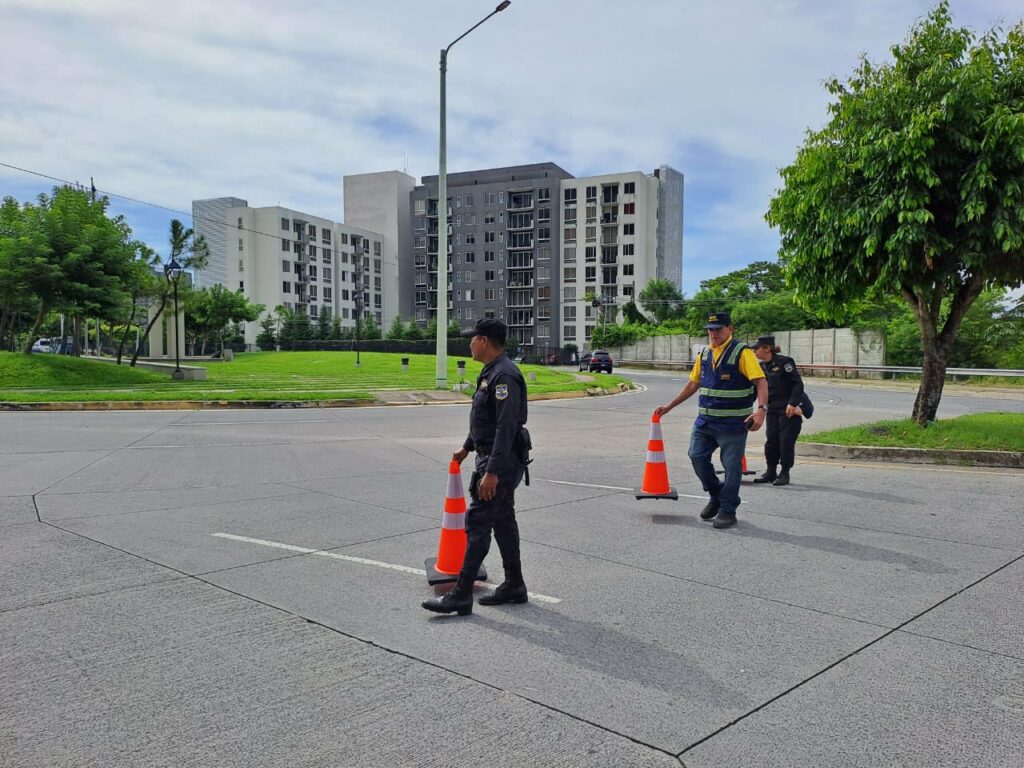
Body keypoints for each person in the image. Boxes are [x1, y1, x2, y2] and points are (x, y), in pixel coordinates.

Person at [422, 318, 529, 615]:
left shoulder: (504, 376)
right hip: (492, 456)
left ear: (484, 341)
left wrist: (491, 472)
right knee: (503, 522)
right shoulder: (492, 372)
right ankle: (515, 584)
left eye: (473, 338)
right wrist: (467, 447)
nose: (469, 343)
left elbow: (505, 427)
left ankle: (461, 593)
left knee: (479, 522)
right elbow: (487, 419)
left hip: (501, 461)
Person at [655, 311, 768, 529]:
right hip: (705, 422)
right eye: (710, 329)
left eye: (718, 329)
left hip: (733, 424)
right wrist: (670, 406)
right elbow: (692, 385)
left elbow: (761, 383)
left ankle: (727, 510)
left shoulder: (741, 353)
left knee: (732, 466)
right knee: (696, 456)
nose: (713, 333)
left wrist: (761, 411)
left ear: (730, 329)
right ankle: (717, 494)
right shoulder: (705, 354)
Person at [751, 336, 805, 486]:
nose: (755, 351)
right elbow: (757, 390)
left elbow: (797, 384)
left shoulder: (784, 362)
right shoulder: (762, 367)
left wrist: (793, 403)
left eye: (757, 348)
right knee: (771, 441)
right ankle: (770, 471)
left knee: (785, 442)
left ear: (767, 348)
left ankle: (785, 472)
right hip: (772, 409)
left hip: (788, 410)